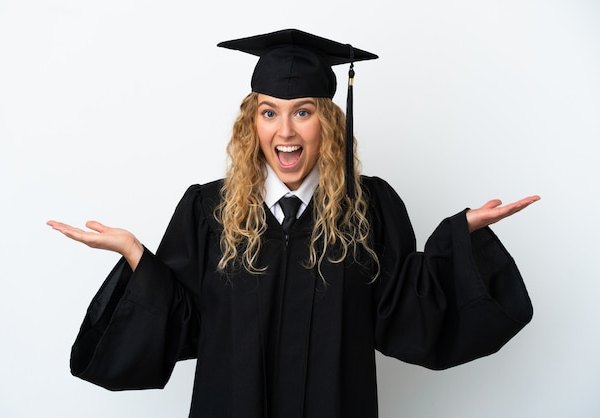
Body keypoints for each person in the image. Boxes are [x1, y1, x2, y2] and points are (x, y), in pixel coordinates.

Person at [47, 29, 540, 418]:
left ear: (327, 121)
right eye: (269, 113)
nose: (285, 131)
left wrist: (458, 241)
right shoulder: (208, 211)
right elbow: (184, 322)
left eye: (302, 112)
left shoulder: (369, 209)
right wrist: (136, 256)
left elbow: (406, 313)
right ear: (252, 124)